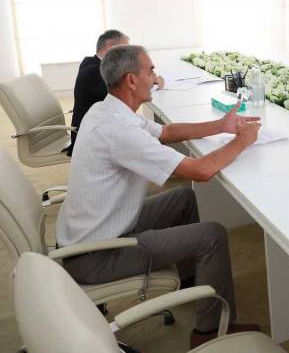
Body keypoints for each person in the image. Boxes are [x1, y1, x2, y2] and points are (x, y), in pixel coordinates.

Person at [56, 45, 262, 348]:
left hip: (92, 232)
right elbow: (201, 171)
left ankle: (195, 285)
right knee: (212, 235)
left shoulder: (108, 109)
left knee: (183, 199)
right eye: (150, 71)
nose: (155, 78)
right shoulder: (120, 132)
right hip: (97, 255)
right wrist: (241, 142)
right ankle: (209, 331)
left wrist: (222, 126)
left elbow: (167, 132)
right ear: (131, 80)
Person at [67, 29, 164, 156]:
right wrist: (152, 79)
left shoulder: (90, 62)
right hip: (92, 138)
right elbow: (128, 89)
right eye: (125, 48)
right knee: (146, 142)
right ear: (110, 47)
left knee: (148, 132)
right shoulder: (93, 72)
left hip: (100, 127)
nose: (128, 54)